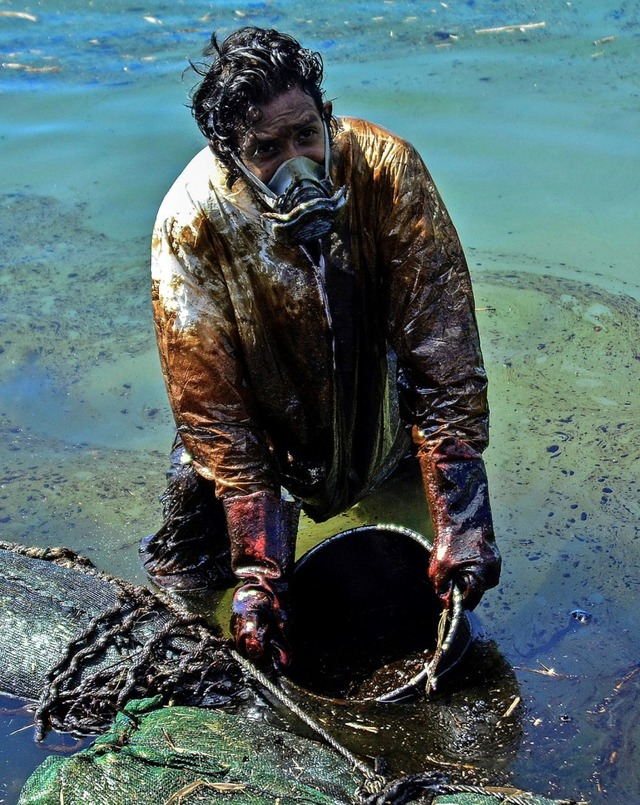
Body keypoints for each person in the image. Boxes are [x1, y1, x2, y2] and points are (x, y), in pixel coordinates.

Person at [141, 26, 501, 668]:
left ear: (327, 119)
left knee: (417, 561)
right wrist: (258, 577)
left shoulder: (387, 170)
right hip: (249, 431)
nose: (297, 162)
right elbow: (211, 407)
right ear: (228, 155)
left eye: (306, 135)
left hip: (376, 403)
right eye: (267, 149)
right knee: (187, 592)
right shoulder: (189, 222)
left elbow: (441, 350)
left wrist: (464, 519)